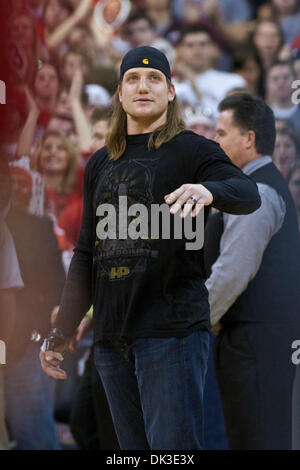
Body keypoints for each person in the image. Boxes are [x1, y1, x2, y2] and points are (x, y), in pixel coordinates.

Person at [40, 46, 261, 451]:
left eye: (154, 78)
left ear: (171, 92)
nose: (144, 86)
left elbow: (248, 194)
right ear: (120, 95)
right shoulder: (100, 163)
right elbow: (87, 254)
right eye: (133, 79)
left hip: (171, 334)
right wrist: (61, 331)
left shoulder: (194, 149)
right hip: (111, 338)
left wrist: (207, 190)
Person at [205, 93, 300, 449]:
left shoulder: (257, 192)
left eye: (221, 132)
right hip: (255, 340)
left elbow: (234, 270)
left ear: (249, 139)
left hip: (255, 343)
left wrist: (198, 319)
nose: (215, 142)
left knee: (257, 437)